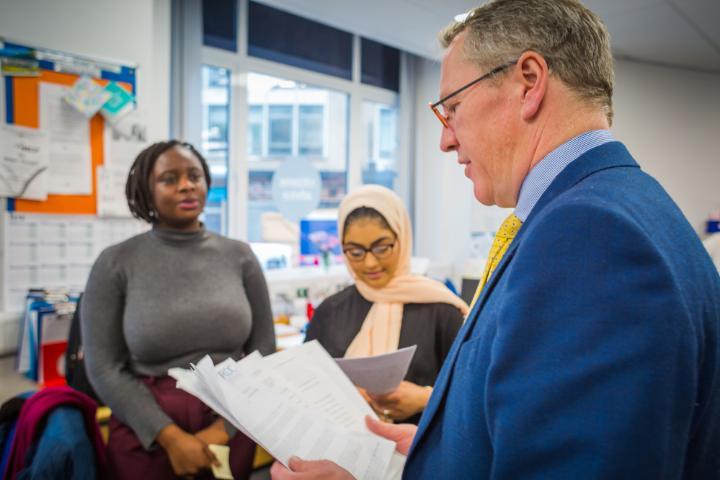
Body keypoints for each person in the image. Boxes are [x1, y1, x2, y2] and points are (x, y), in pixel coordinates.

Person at [271, 0, 720, 478]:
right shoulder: (621, 203)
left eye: (453, 108)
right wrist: (435, 454)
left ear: (529, 81)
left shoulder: (589, 236)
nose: (445, 140)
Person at [82, 140, 276, 479]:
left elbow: (263, 352)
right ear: (147, 190)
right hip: (148, 428)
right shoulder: (115, 263)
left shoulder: (240, 256)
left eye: (194, 175)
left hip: (232, 419)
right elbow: (103, 367)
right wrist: (170, 438)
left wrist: (223, 429)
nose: (186, 185)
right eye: (169, 178)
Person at [305, 185, 468, 423]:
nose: (370, 263)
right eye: (355, 251)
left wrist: (426, 399)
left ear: (401, 239)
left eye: (382, 248)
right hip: (342, 451)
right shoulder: (330, 312)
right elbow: (305, 384)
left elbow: (474, 394)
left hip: (420, 452)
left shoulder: (441, 310)